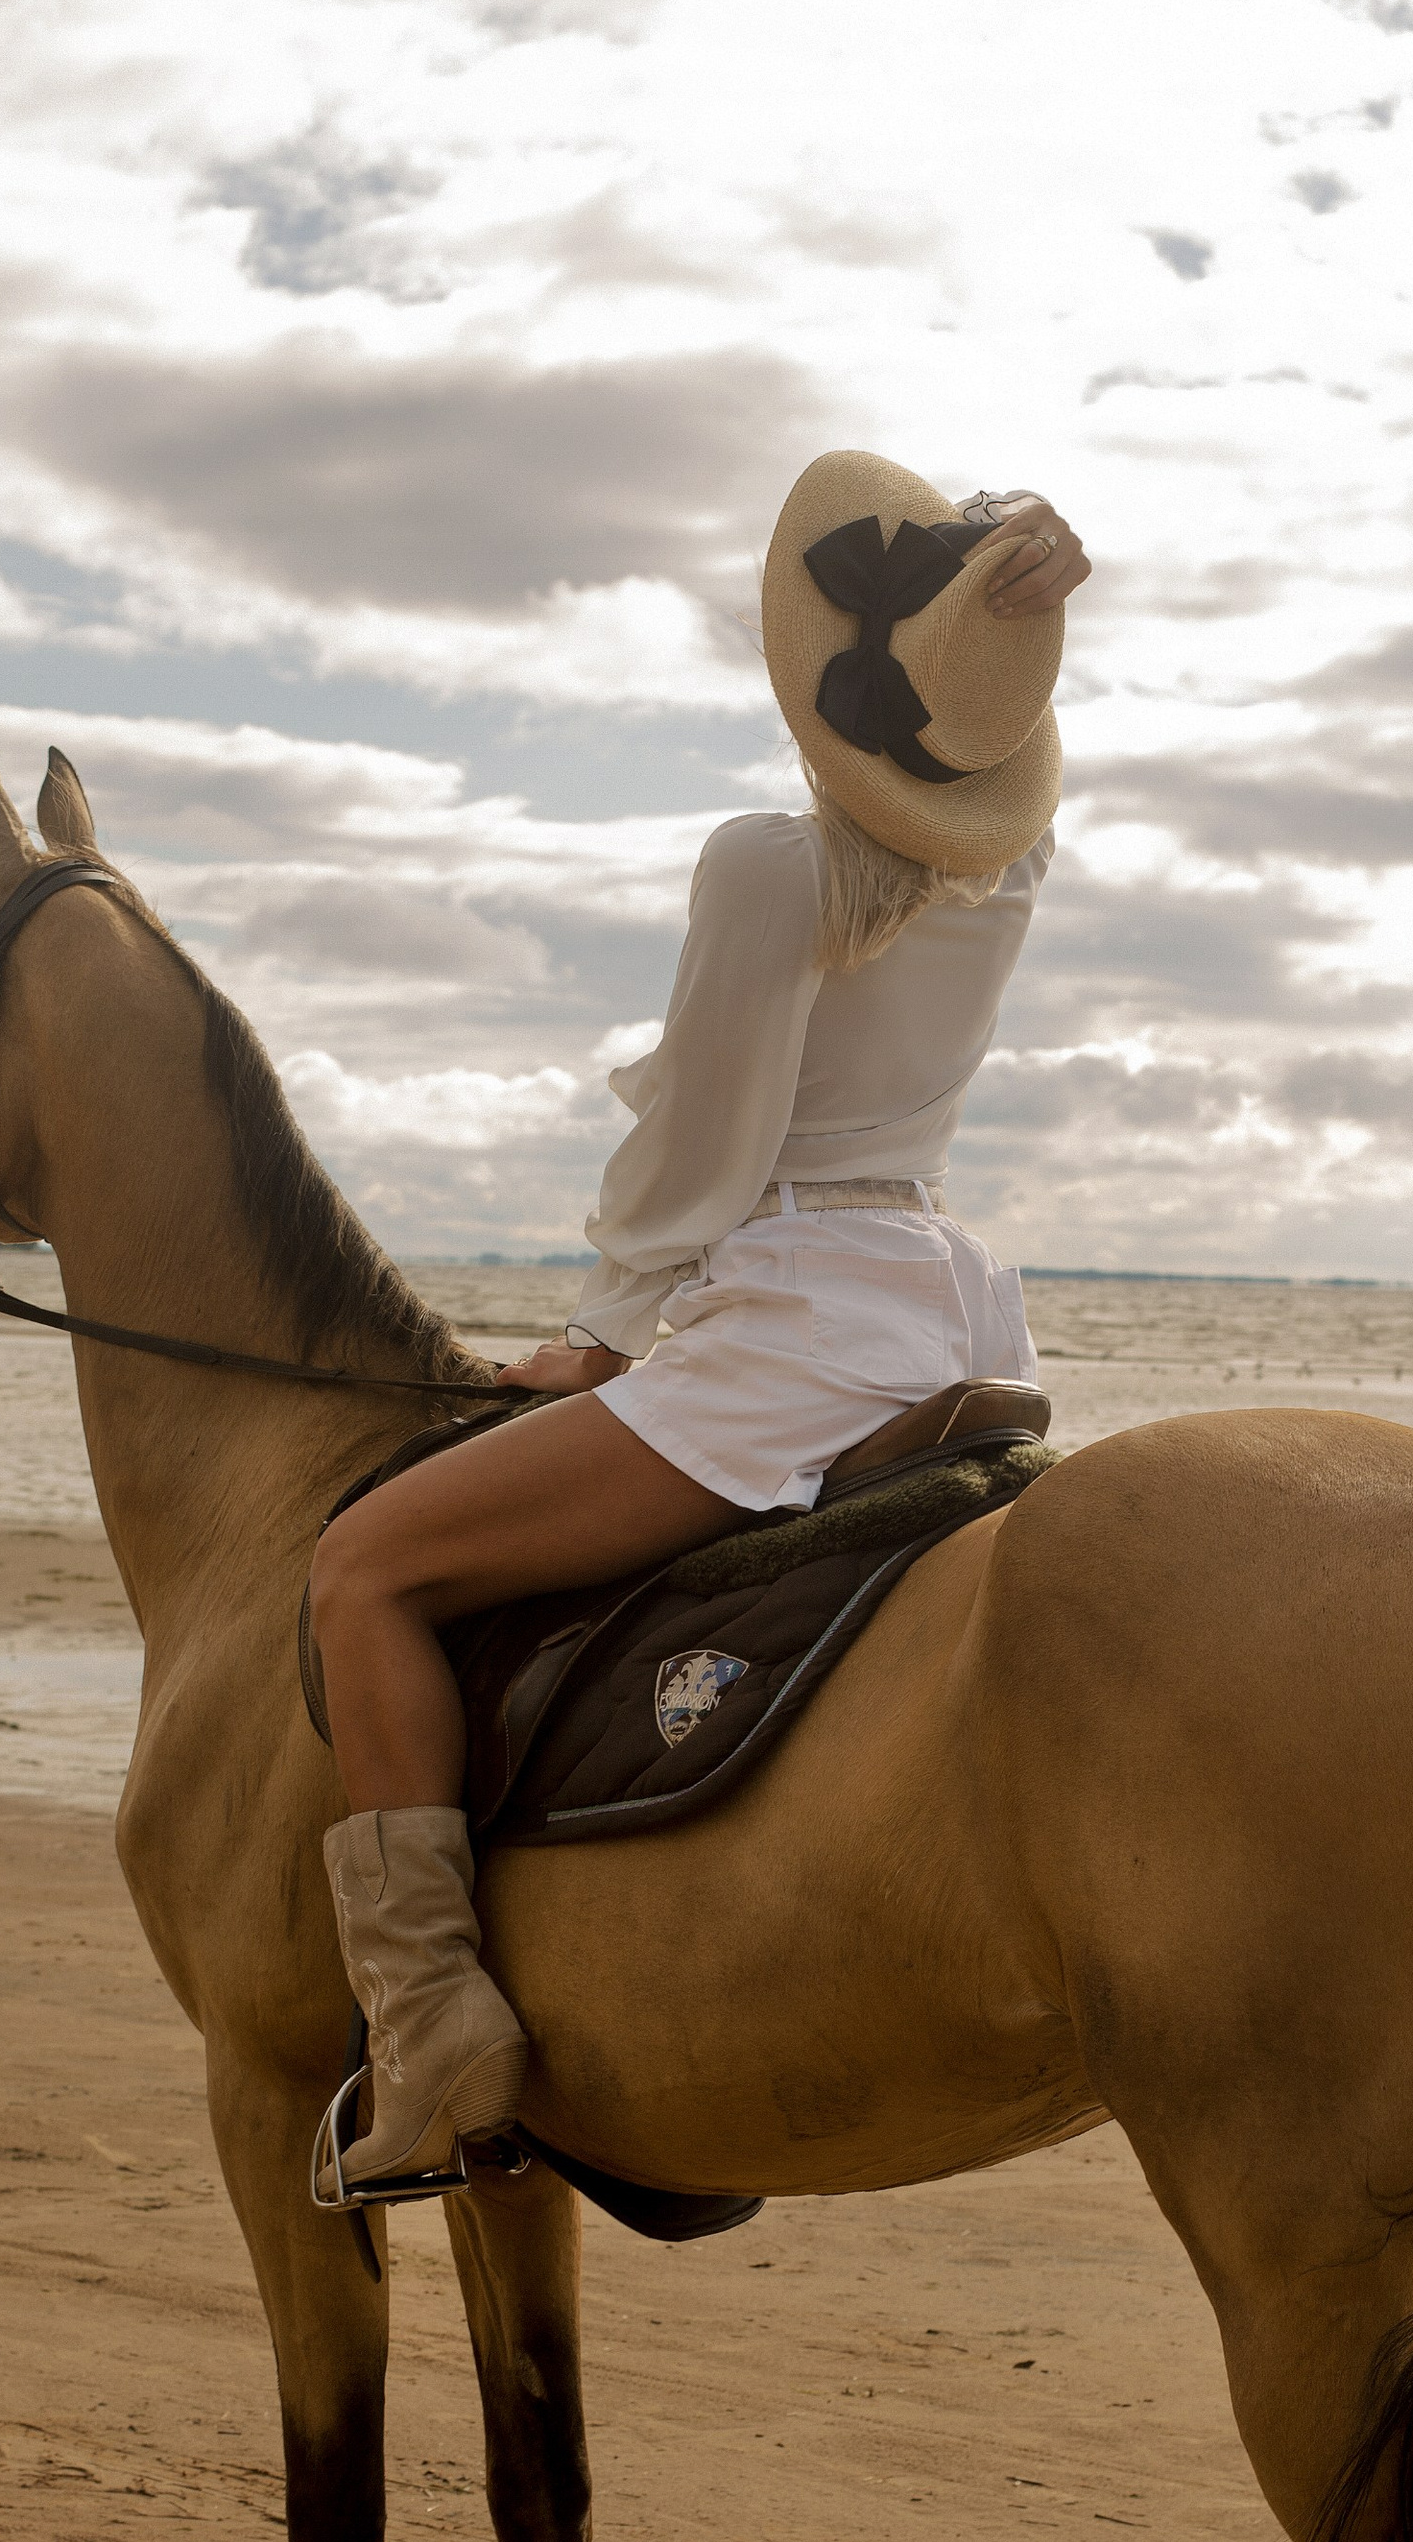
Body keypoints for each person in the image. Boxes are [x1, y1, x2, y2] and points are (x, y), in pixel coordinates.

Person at [305, 448, 1091, 2192]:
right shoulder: (1014, 865)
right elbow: (986, 753)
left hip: (797, 1330)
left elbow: (706, 1148)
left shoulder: (768, 869)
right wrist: (1012, 612)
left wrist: (600, 1334)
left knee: (365, 1571)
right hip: (953, 1319)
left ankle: (429, 2027)